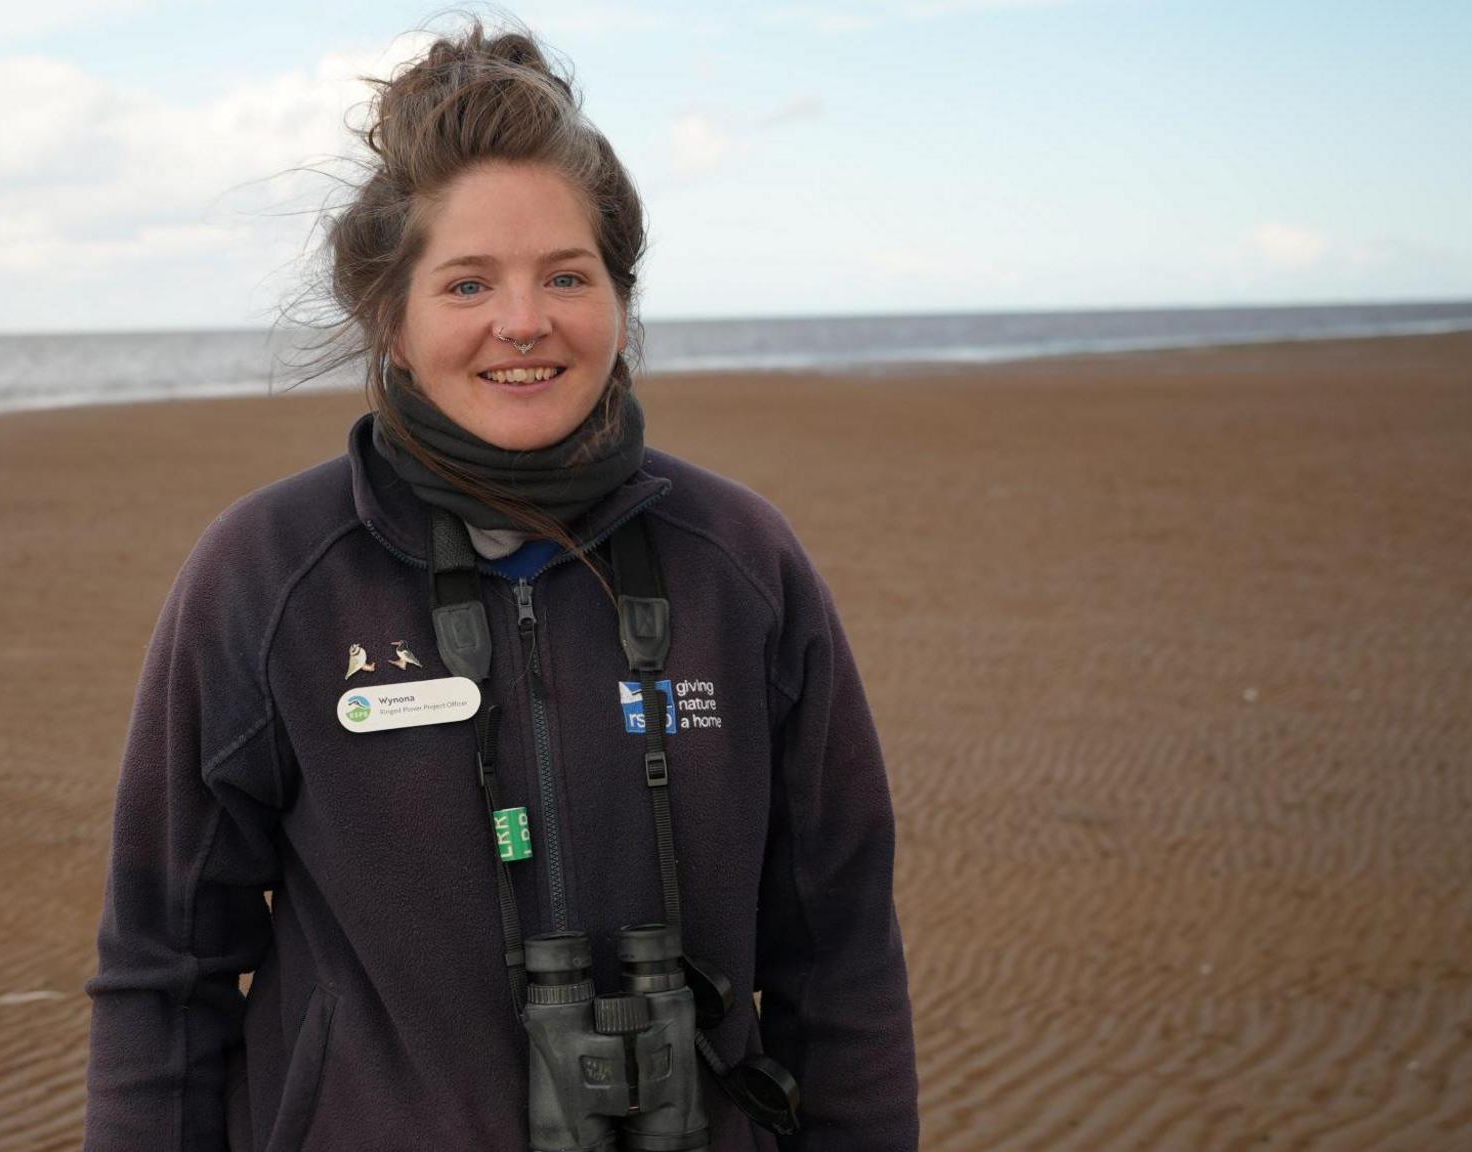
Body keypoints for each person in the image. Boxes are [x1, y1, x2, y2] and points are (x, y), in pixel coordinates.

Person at [83, 19, 918, 1151]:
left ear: (618, 298)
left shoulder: (740, 565)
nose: (521, 323)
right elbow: (162, 974)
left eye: (564, 277)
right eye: (467, 282)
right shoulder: (269, 576)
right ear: (392, 315)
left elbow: (842, 964)